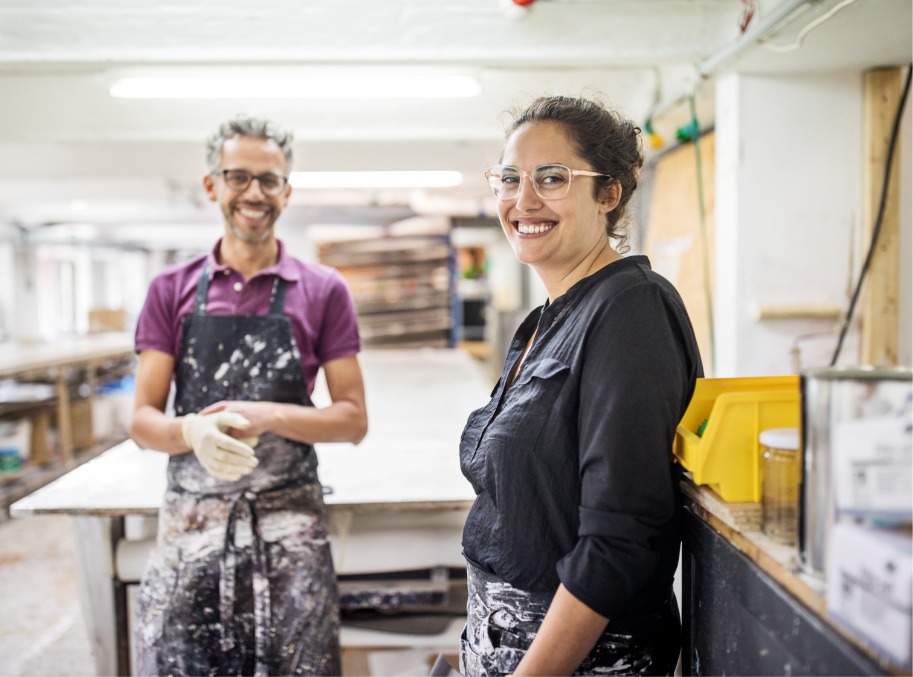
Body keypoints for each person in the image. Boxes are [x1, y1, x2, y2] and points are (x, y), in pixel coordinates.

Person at [459, 96, 702, 677]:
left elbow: (619, 538)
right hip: (507, 645)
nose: (524, 200)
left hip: (580, 660)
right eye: (510, 179)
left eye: (552, 178)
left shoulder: (630, 308)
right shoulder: (549, 318)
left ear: (609, 193)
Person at [130, 115, 368, 677]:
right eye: (239, 177)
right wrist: (189, 431)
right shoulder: (171, 288)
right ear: (212, 185)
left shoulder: (323, 289)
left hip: (292, 526)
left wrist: (271, 414)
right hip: (191, 525)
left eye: (269, 180)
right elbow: (141, 420)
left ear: (286, 192)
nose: (254, 193)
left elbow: (353, 418)